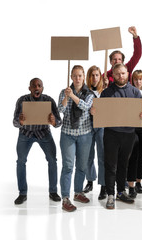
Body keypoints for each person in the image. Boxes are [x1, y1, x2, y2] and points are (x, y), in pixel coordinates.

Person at [92, 63, 142, 209]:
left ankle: (121, 192)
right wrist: (95, 113)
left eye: (123, 73)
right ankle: (110, 194)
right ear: (113, 75)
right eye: (117, 74)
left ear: (127, 73)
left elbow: (138, 114)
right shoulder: (107, 93)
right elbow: (101, 114)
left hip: (128, 134)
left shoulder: (135, 92)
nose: (120, 76)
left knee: (123, 164)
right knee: (111, 165)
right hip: (111, 134)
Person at [13, 78, 62, 205]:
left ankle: (53, 191)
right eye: (34, 86)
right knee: (21, 161)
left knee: (52, 160)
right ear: (29, 88)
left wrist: (54, 121)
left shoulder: (49, 100)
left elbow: (59, 122)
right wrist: (20, 121)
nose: (36, 88)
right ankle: (22, 193)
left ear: (42, 88)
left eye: (39, 85)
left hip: (43, 133)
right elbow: (14, 122)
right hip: (26, 133)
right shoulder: (22, 100)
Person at [58, 65, 94, 212]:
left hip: (85, 135)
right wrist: (67, 97)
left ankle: (78, 192)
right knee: (68, 166)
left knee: (82, 165)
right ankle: (65, 198)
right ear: (71, 77)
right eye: (75, 76)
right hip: (68, 134)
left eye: (80, 76)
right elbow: (60, 110)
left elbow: (85, 106)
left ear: (84, 77)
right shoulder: (63, 92)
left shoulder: (89, 93)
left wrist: (72, 95)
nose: (77, 78)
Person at [82, 65, 107, 200]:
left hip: (102, 126)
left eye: (97, 75)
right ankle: (90, 181)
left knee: (102, 156)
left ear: (100, 77)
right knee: (88, 155)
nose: (95, 78)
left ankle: (103, 186)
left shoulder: (105, 91)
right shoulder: (85, 91)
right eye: (92, 75)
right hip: (88, 125)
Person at [127, 70, 142, 198]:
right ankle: (129, 181)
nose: (138, 81)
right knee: (132, 156)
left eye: (141, 79)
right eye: (136, 79)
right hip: (132, 128)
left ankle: (138, 181)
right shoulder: (129, 93)